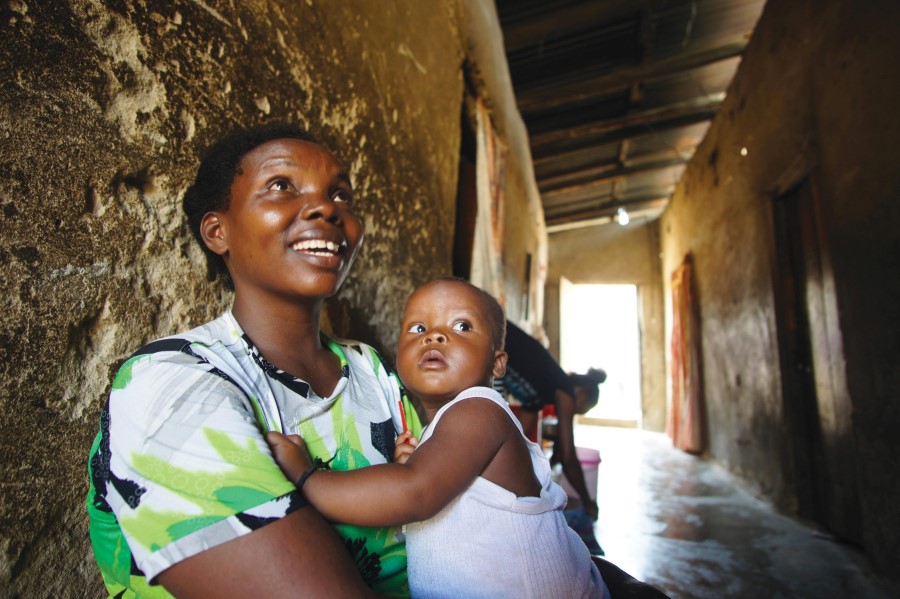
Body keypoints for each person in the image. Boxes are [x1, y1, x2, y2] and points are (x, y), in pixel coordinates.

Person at [85, 123, 421, 597]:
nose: (328, 207)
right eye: (281, 186)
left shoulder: (372, 371)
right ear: (217, 231)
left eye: (341, 194)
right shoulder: (169, 384)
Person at [267, 277, 611, 599]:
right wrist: (413, 465)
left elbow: (415, 492)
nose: (434, 336)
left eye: (461, 326)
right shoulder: (445, 428)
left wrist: (308, 478)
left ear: (497, 363)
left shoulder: (480, 411)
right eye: (418, 328)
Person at [498, 320, 607, 521]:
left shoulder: (539, 395)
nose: (572, 413)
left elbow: (515, 437)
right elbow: (569, 456)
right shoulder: (565, 391)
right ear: (580, 394)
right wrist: (588, 501)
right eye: (579, 410)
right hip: (492, 335)